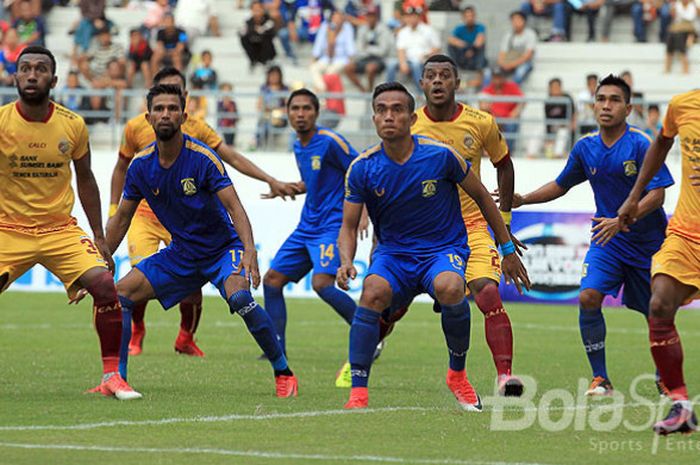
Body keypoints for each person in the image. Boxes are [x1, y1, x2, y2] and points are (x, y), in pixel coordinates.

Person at [338, 81, 531, 410]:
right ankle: (358, 391)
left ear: (411, 119)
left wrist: (507, 247)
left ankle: (457, 374)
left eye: (397, 110)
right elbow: (348, 224)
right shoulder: (362, 168)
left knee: (451, 286)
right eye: (381, 110)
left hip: (442, 250)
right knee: (372, 294)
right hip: (394, 254)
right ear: (373, 119)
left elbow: (483, 196)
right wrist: (346, 261)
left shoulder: (440, 156)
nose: (388, 116)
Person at [107, 84, 298, 398]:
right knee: (121, 295)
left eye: (172, 108)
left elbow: (234, 206)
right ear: (148, 117)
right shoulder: (140, 165)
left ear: (183, 116)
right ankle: (118, 379)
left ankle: (283, 371)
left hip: (224, 249)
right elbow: (123, 217)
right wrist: (103, 258)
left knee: (239, 299)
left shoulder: (202, 158)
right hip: (182, 253)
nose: (165, 114)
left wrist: (249, 250)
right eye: (159, 109)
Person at [510, 75, 674, 397]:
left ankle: (665, 372)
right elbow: (561, 184)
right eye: (601, 99)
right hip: (608, 242)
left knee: (657, 311)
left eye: (614, 100)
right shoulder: (585, 147)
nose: (606, 106)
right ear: (593, 105)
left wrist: (623, 217)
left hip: (648, 244)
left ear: (628, 108)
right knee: (587, 297)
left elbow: (657, 196)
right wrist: (523, 199)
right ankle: (601, 379)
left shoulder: (641, 144)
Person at [0, 46, 140, 400]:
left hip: (58, 229)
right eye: (26, 69)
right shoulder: (1, 122)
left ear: (54, 79)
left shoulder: (73, 124)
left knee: (105, 286)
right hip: (8, 228)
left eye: (41, 69)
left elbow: (87, 179)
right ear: (16, 77)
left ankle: (112, 376)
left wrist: (99, 235)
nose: (33, 75)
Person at [618, 88, 700, 435]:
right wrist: (634, 197)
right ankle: (680, 405)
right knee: (660, 303)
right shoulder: (683, 105)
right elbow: (661, 145)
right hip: (685, 234)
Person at [262, 88, 365, 357]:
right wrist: (289, 188)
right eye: (295, 108)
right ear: (287, 113)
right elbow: (317, 182)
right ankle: (276, 349)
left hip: (331, 225)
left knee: (322, 283)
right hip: (306, 226)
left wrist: (364, 213)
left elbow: (361, 171)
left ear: (317, 113)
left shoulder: (331, 141)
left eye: (306, 108)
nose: (300, 114)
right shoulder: (298, 145)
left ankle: (370, 332)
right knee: (272, 281)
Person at [386, 6, 440, 92]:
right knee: (391, 64)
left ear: (419, 17)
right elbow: (400, 50)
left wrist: (426, 55)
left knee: (416, 64)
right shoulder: (403, 32)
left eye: (413, 16)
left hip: (423, 60)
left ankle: (422, 91)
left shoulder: (428, 30)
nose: (411, 19)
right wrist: (403, 63)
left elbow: (436, 48)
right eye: (409, 16)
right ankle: (388, 90)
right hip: (408, 60)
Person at [343, 5, 393, 92]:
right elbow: (358, 48)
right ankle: (363, 90)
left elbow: (382, 51)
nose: (370, 18)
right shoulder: (362, 29)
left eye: (372, 16)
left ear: (377, 17)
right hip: (364, 58)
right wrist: (370, 50)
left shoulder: (384, 29)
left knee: (370, 68)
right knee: (348, 68)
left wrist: (367, 48)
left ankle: (370, 90)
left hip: (379, 59)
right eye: (368, 16)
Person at [309, 11, 355, 93]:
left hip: (341, 59)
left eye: (339, 18)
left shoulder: (347, 27)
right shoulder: (325, 27)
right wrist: (314, 58)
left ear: (342, 19)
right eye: (335, 18)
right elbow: (318, 44)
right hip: (326, 58)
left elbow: (350, 47)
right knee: (314, 67)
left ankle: (320, 92)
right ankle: (322, 89)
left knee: (329, 72)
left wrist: (351, 59)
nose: (336, 20)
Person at [496, 11, 537, 85]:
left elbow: (528, 55)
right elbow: (502, 53)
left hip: (524, 63)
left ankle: (513, 94)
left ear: (524, 21)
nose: (515, 22)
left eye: (518, 19)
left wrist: (512, 65)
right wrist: (502, 63)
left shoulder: (530, 34)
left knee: (519, 74)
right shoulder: (508, 35)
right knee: (490, 74)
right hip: (508, 62)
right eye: (513, 20)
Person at [447, 6, 487, 71]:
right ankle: (454, 68)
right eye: (467, 16)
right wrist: (466, 47)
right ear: (463, 17)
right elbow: (451, 40)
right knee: (450, 46)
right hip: (463, 53)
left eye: (472, 16)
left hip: (475, 55)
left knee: (481, 46)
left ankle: (478, 69)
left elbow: (479, 41)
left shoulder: (480, 27)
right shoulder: (459, 28)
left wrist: (471, 49)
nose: (470, 18)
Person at [239, 1, 277, 70]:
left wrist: (257, 31)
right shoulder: (248, 22)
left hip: (267, 51)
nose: (257, 12)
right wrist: (255, 31)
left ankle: (265, 61)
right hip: (255, 48)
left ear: (262, 9)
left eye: (258, 9)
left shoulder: (268, 20)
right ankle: (254, 61)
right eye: (254, 9)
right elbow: (242, 32)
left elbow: (269, 31)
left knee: (266, 37)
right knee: (244, 38)